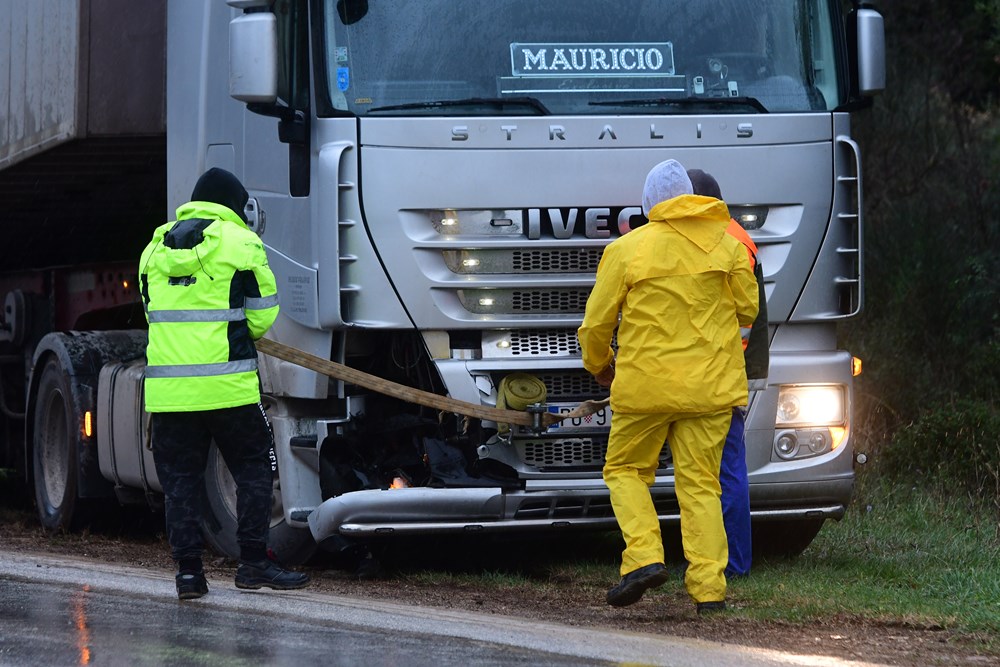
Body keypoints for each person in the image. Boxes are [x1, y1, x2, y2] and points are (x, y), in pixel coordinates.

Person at [578, 159, 758, 614]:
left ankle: (643, 558)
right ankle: (709, 590)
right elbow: (748, 310)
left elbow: (596, 325)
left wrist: (601, 367)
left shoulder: (625, 250)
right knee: (701, 485)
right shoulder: (728, 247)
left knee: (625, 471)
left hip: (645, 391)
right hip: (711, 390)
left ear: (649, 204)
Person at [139, 167, 310, 600]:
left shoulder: (153, 249)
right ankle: (253, 564)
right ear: (237, 205)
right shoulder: (242, 243)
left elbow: (150, 311)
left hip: (169, 394)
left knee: (180, 484)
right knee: (254, 471)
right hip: (228, 390)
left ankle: (189, 576)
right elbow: (263, 314)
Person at [686, 168, 770, 578]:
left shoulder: (702, 240)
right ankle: (734, 563)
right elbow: (753, 317)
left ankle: (721, 563)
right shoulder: (739, 237)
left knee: (713, 473)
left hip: (700, 374)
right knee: (727, 470)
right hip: (726, 375)